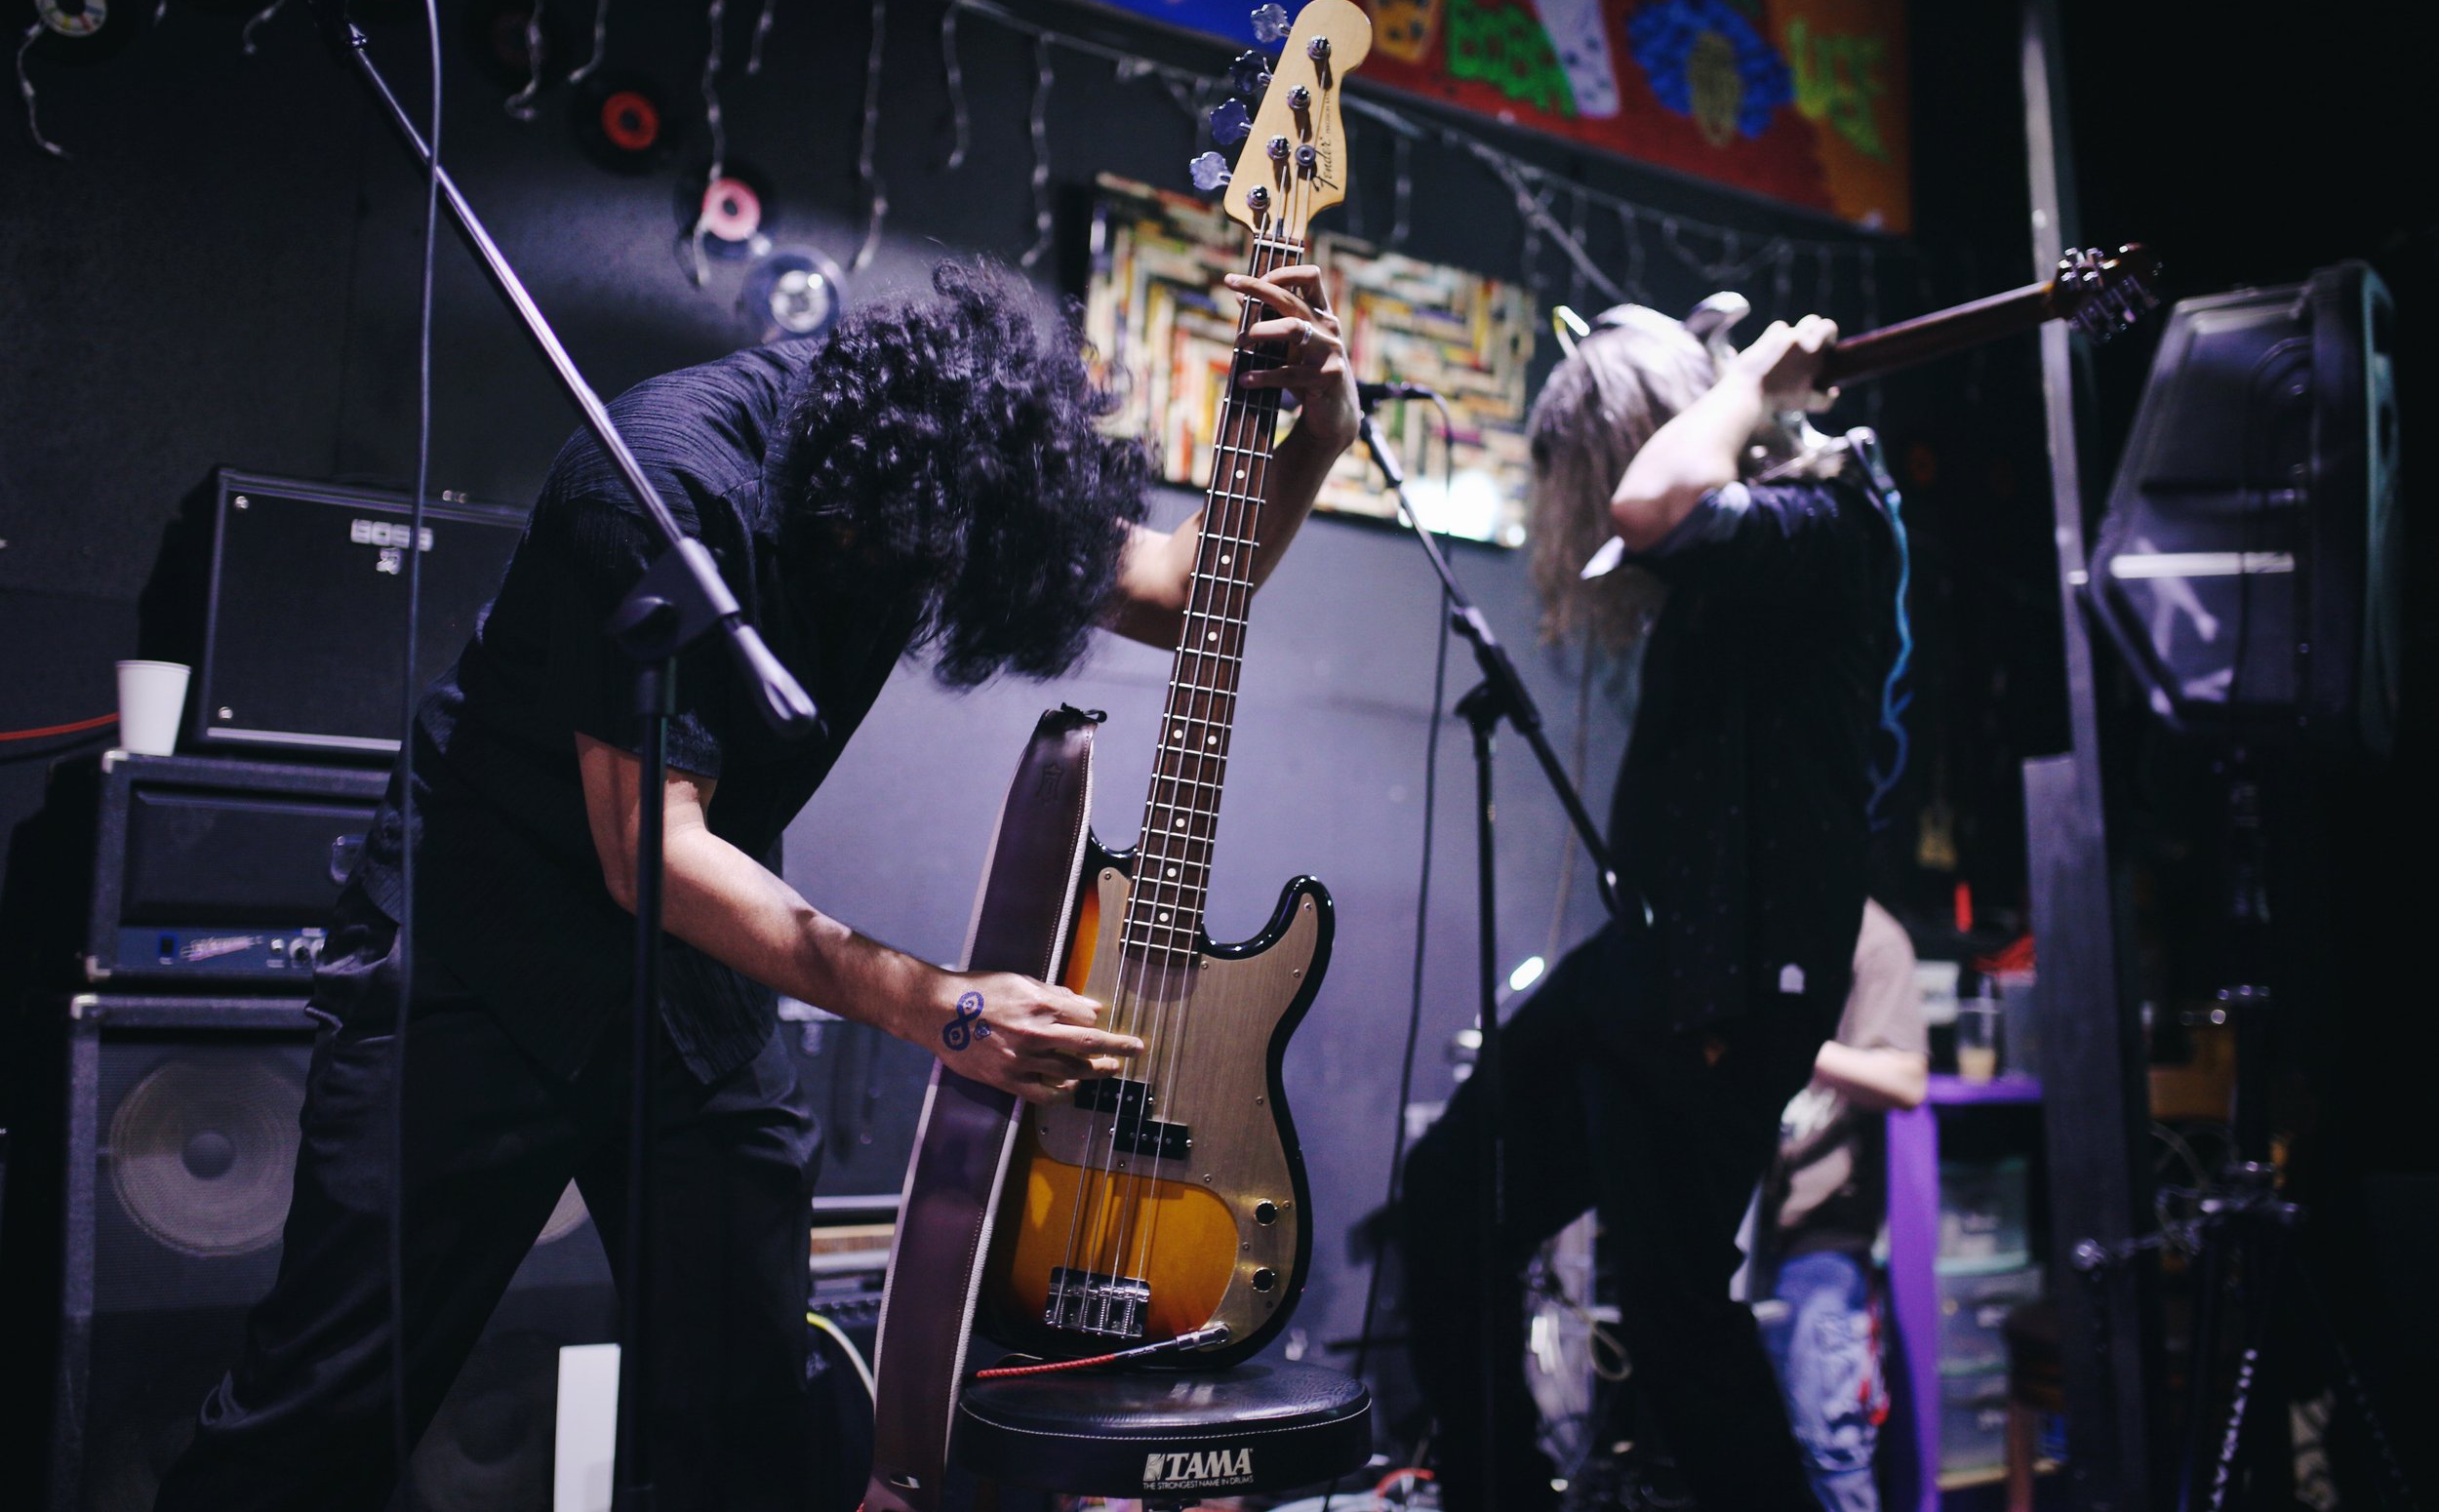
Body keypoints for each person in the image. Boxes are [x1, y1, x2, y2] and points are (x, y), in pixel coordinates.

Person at [156, 259, 1360, 1512]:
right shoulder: (662, 484)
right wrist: (937, 1006)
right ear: (878, 508)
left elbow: (1173, 591)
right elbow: (649, 854)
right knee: (323, 1409)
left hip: (694, 973)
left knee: (747, 1415)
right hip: (482, 949)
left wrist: (1318, 436)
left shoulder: (950, 462)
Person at [1400, 302, 1901, 1512]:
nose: (1594, 494)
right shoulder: (1758, 540)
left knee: (1678, 1314)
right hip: (1656, 965)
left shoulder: (1825, 519)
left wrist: (1752, 388)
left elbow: (1653, 504)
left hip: (1729, 987)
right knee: (1453, 1202)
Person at [1755, 898, 1930, 1512]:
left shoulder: (1870, 936)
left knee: (1829, 1450)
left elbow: (1907, 1079)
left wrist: (1787, 1045)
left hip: (1819, 1240)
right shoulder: (1747, 918)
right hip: (1740, 1235)